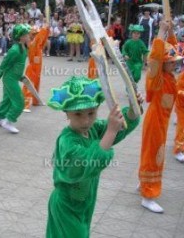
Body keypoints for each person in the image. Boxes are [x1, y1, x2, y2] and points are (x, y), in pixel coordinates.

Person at [46, 76, 141, 237]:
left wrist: (132, 110)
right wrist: (110, 131)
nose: (86, 120)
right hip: (67, 205)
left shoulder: (93, 129)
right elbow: (88, 162)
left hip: (85, 201)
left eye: (91, 113)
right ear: (66, 114)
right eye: (78, 114)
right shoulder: (66, 141)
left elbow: (118, 128)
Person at [138, 20, 182, 213]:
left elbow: (172, 49)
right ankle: (148, 195)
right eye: (171, 63)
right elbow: (155, 58)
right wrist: (161, 31)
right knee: (155, 157)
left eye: (175, 62)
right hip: (155, 122)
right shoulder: (156, 78)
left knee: (150, 154)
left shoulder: (170, 76)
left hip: (161, 123)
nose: (174, 65)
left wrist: (170, 32)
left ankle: (143, 183)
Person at [0, 24, 31, 134]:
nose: (29, 36)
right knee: (19, 101)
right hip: (9, 79)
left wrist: (20, 76)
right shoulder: (14, 50)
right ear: (20, 37)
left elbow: (17, 65)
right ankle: (8, 121)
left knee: (7, 100)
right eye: (27, 34)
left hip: (13, 77)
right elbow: (4, 64)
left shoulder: (23, 47)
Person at [22, 24, 50, 113]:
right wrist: (44, 29)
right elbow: (39, 38)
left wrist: (47, 31)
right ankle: (24, 104)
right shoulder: (32, 43)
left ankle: (35, 101)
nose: (35, 35)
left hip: (38, 68)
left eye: (36, 33)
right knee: (29, 85)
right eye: (34, 34)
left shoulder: (38, 44)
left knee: (36, 84)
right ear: (30, 35)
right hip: (32, 68)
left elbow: (43, 39)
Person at [174, 71, 184, 162]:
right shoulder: (182, 76)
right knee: (181, 128)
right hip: (181, 107)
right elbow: (178, 91)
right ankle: (178, 151)